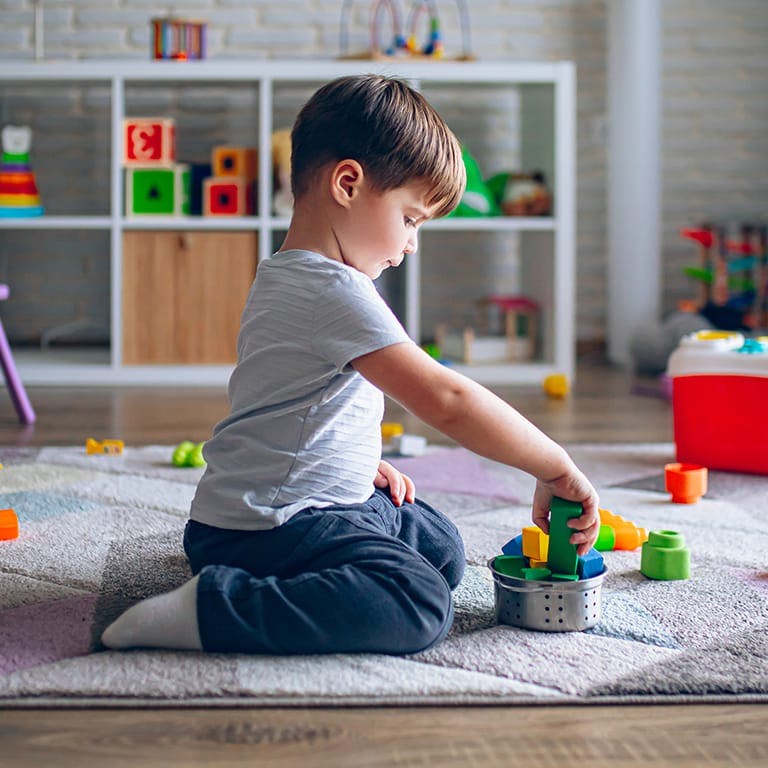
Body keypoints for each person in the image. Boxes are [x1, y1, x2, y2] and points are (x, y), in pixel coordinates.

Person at [101, 74, 599, 655]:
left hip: (298, 502)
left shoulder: (300, 276)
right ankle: (215, 608)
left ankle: (289, 575)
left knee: (440, 548)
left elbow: (298, 406)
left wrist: (353, 461)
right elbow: (448, 401)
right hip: (268, 526)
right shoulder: (332, 290)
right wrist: (554, 466)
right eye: (410, 219)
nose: (412, 243)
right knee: (417, 602)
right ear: (348, 184)